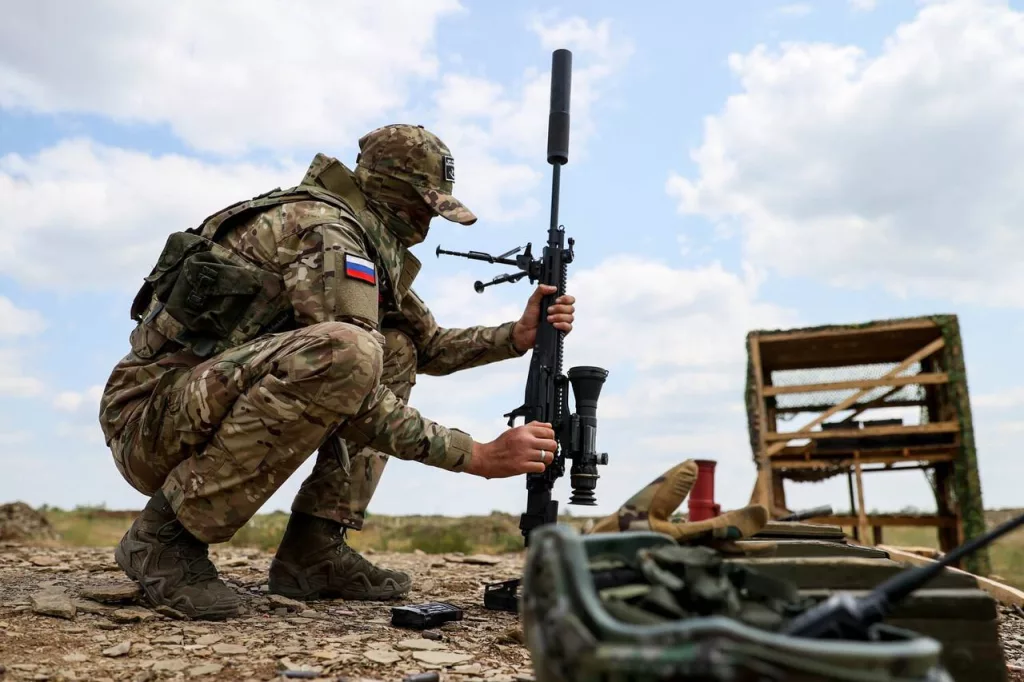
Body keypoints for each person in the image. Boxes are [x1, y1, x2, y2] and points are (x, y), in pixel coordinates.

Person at [98, 124, 577, 620]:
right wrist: (475, 455)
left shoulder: (355, 233)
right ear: (395, 194)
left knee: (392, 348)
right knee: (350, 352)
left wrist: (515, 336)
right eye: (423, 209)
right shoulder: (325, 231)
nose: (426, 226)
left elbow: (425, 345)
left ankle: (315, 549)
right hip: (148, 421)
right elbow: (345, 372)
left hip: (190, 408)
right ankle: (164, 539)